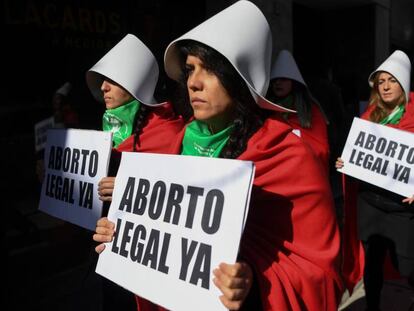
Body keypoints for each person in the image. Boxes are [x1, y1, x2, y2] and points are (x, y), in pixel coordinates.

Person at [94, 1, 343, 310]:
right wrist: (122, 232)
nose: (193, 82)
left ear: (240, 78)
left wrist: (252, 282)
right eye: (189, 70)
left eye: (209, 69)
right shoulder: (177, 143)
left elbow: (319, 274)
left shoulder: (290, 157)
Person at [87, 34, 184, 311]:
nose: (103, 87)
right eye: (102, 81)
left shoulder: (172, 134)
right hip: (109, 253)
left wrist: (130, 191)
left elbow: (183, 200)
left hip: (148, 264)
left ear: (135, 85)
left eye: (112, 80)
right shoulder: (106, 134)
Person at [336, 50, 414, 310]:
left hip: (402, 209)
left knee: (408, 265)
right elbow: (359, 154)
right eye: (381, 82)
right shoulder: (369, 115)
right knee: (372, 263)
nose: (386, 87)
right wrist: (346, 163)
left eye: (392, 80)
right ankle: (372, 306)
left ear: (403, 82)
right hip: (370, 203)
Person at [267, 49, 330, 172]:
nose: (278, 83)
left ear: (293, 82)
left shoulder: (311, 110)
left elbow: (320, 147)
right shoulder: (265, 109)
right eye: (275, 80)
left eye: (283, 79)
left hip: (303, 171)